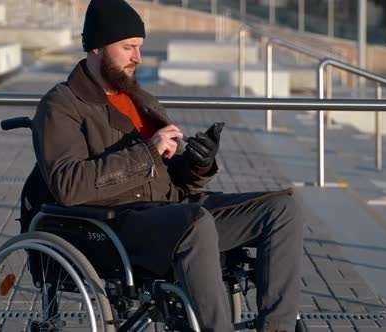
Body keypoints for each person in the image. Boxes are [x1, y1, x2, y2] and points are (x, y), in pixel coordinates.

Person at [20, 1, 304, 331]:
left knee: (283, 209)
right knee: (195, 223)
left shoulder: (139, 98)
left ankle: (277, 328)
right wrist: (148, 152)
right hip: (118, 224)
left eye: (139, 48)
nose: (137, 58)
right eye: (128, 48)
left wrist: (198, 164)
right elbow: (69, 186)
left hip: (173, 212)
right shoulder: (62, 104)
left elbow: (177, 181)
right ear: (96, 46)